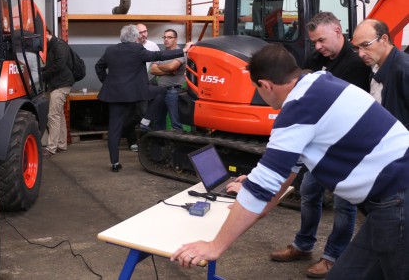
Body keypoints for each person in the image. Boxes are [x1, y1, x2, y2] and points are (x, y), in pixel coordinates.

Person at [171, 43, 409, 280]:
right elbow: (285, 172)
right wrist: (257, 200)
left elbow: (263, 187)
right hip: (392, 197)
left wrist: (215, 246)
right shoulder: (319, 82)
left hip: (398, 197)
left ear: (264, 85)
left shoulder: (297, 109)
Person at [269, 12, 370, 278]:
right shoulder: (317, 58)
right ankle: (303, 245)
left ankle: (333, 257)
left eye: (322, 40)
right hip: (320, 145)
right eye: (314, 42)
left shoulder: (357, 64)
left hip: (347, 148)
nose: (318, 47)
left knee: (344, 204)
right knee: (309, 192)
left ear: (338, 31)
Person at [95, 25, 191, 172]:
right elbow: (158, 56)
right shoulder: (138, 49)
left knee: (114, 129)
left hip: (116, 95)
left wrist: (108, 83)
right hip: (136, 93)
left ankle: (114, 163)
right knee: (160, 92)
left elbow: (98, 67)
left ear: (121, 37)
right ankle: (145, 122)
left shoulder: (110, 50)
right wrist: (183, 50)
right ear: (135, 37)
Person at [352, 19, 409, 129]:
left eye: (366, 45)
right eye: (357, 48)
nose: (360, 54)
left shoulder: (404, 70)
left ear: (384, 39)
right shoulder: (375, 67)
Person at [124, 23, 162, 152]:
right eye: (141, 32)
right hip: (130, 86)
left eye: (145, 31)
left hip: (145, 85)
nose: (144, 34)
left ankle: (146, 140)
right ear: (135, 34)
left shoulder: (152, 46)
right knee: (129, 114)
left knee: (144, 113)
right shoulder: (128, 46)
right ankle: (132, 141)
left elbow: (157, 65)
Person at [41, 29, 74, 159]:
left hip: (62, 84)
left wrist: (42, 75)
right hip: (56, 84)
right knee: (58, 114)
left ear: (46, 33)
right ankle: (61, 144)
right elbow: (53, 66)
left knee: (53, 115)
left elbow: (59, 66)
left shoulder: (59, 45)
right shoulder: (52, 46)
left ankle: (51, 148)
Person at [150, 29, 188, 131]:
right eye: (164, 37)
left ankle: (178, 146)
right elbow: (152, 70)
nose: (166, 40)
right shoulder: (161, 53)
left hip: (173, 92)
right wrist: (168, 71)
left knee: (176, 122)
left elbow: (172, 67)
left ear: (175, 39)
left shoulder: (180, 53)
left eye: (169, 37)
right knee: (158, 121)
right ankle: (160, 146)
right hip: (160, 91)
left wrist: (161, 66)